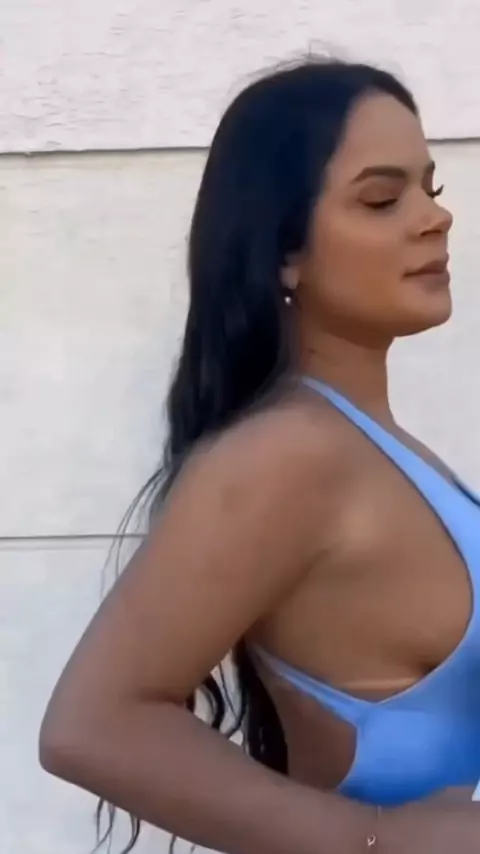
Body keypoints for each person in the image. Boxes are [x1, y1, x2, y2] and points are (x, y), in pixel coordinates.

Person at [39, 58, 480, 853]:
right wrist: (378, 838)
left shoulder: (375, 449)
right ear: (284, 251)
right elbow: (93, 724)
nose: (434, 217)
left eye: (431, 188)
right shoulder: (287, 456)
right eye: (382, 199)